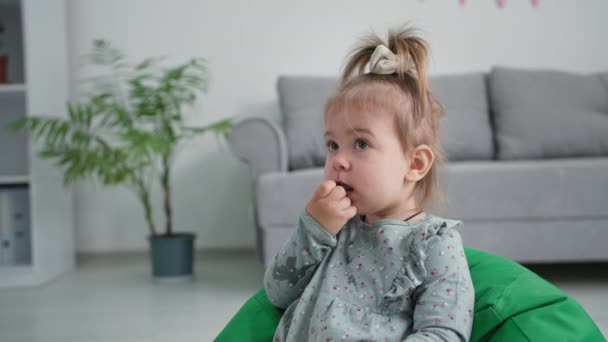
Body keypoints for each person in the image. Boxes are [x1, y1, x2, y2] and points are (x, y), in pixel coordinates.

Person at [264, 25, 475, 341]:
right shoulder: (332, 230)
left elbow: (443, 333)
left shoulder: (434, 244)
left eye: (360, 144)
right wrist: (313, 230)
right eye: (332, 145)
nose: (339, 160)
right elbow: (277, 293)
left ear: (415, 164)